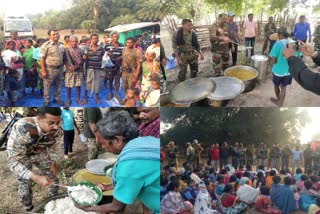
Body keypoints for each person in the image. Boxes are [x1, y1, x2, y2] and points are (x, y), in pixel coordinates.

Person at [77, 110, 160, 213]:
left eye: (103, 144)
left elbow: (116, 207)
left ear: (117, 140)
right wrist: (107, 187)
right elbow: (137, 179)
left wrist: (89, 209)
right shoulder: (146, 140)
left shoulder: (128, 167)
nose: (103, 148)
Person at [6, 107, 62, 211]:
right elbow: (13, 161)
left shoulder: (57, 129)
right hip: (21, 157)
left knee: (53, 177)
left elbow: (54, 147)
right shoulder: (23, 128)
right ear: (39, 118)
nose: (56, 126)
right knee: (24, 183)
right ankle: (29, 207)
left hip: (40, 153)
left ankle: (54, 199)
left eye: (58, 122)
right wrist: (34, 176)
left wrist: (53, 162)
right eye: (51, 123)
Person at [40, 29, 65, 106]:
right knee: (47, 86)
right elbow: (42, 58)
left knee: (58, 85)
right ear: (49, 36)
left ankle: (56, 99)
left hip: (60, 69)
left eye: (57, 34)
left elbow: (64, 57)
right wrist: (43, 71)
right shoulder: (46, 45)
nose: (56, 36)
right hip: (49, 69)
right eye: (53, 34)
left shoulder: (61, 45)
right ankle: (46, 101)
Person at [269, 27, 292, 106]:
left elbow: (274, 61)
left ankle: (278, 100)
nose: (277, 36)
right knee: (284, 87)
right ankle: (281, 101)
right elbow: (298, 56)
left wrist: (270, 61)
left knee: (276, 86)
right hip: (289, 71)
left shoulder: (277, 44)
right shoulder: (293, 42)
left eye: (278, 34)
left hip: (278, 71)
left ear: (281, 35)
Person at [83, 33, 105, 104]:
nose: (94, 40)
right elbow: (84, 56)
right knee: (87, 83)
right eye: (93, 38)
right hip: (89, 69)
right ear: (91, 39)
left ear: (98, 39)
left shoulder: (101, 48)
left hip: (98, 69)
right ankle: (85, 98)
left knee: (97, 83)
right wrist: (84, 57)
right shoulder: (87, 48)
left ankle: (96, 97)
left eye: (96, 38)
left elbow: (104, 57)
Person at [64, 36, 85, 106]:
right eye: (72, 41)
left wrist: (77, 66)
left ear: (78, 42)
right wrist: (69, 66)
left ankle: (78, 99)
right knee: (68, 86)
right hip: (69, 71)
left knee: (78, 85)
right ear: (70, 42)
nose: (74, 43)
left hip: (79, 70)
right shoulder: (66, 50)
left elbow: (83, 60)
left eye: (76, 41)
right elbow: (64, 60)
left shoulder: (81, 50)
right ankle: (68, 99)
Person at [104, 31, 124, 101]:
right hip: (110, 66)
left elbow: (123, 54)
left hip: (118, 66)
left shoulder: (122, 45)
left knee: (117, 79)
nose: (116, 38)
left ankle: (117, 94)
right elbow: (104, 55)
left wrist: (120, 57)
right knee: (110, 79)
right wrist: (108, 55)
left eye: (117, 36)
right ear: (111, 37)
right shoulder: (107, 46)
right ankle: (110, 93)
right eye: (114, 36)